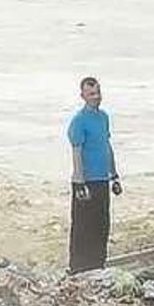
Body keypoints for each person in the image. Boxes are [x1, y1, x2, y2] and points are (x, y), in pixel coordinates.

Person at [67, 76, 122, 273]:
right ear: (83, 96)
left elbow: (107, 146)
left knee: (101, 225)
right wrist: (80, 182)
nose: (96, 97)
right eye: (91, 94)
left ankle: (98, 265)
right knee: (83, 228)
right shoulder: (78, 121)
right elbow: (76, 152)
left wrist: (114, 175)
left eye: (98, 93)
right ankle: (78, 268)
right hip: (85, 181)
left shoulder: (104, 117)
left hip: (102, 180)